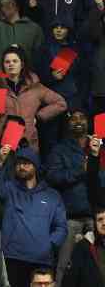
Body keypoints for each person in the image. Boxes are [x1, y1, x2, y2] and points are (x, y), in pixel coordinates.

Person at [0, 145, 68, 287]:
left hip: (42, 260)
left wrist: (48, 245)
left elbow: (61, 227)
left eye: (26, 163)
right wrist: (0, 162)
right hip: (13, 257)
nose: (21, 167)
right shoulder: (9, 189)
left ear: (35, 166)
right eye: (18, 164)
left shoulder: (52, 195)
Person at [0, 45, 67, 154]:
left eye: (15, 61)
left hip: (28, 142)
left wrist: (38, 116)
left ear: (22, 64)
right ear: (3, 66)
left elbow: (61, 103)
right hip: (5, 144)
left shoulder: (35, 86)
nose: (11, 64)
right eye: (7, 62)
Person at [44, 111, 94, 283]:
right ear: (67, 124)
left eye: (82, 117)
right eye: (74, 118)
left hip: (98, 216)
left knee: (97, 265)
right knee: (64, 267)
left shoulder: (97, 146)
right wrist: (81, 170)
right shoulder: (60, 149)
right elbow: (52, 177)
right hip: (71, 218)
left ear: (88, 122)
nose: (78, 121)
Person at [62, 205, 105, 287]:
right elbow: (70, 279)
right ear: (94, 224)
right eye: (100, 220)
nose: (104, 223)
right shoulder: (83, 247)